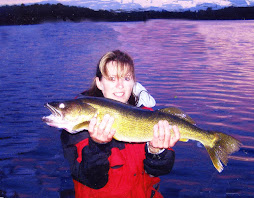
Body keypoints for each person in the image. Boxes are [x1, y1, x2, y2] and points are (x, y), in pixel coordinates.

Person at [61, 50, 180, 198]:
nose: (120, 86)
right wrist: (97, 146)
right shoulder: (77, 128)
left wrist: (156, 151)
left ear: (133, 82)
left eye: (126, 78)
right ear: (99, 83)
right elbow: (91, 179)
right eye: (112, 79)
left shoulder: (150, 116)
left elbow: (160, 170)